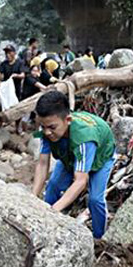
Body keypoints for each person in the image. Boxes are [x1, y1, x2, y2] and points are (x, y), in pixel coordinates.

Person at [32, 91, 116, 238]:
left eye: (51, 127)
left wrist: (54, 210)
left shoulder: (84, 139)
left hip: (100, 157)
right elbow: (43, 163)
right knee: (53, 185)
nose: (47, 132)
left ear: (68, 120)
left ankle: (98, 237)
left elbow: (81, 181)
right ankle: (46, 222)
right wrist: (32, 198)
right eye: (43, 127)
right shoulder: (48, 129)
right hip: (71, 154)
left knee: (95, 199)